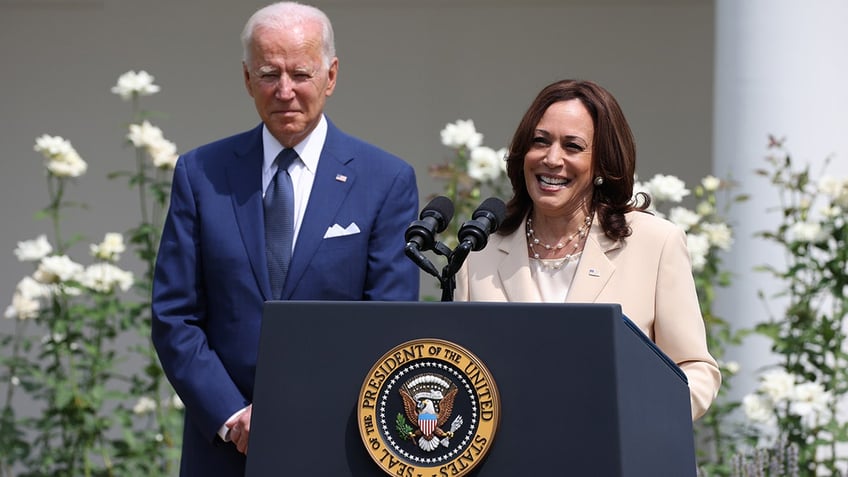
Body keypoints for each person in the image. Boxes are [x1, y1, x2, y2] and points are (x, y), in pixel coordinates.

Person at [150, 2, 420, 475]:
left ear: (331, 76)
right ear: (247, 79)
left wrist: (296, 415)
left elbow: (386, 324)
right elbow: (175, 316)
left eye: (301, 73)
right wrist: (234, 416)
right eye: (269, 73)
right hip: (224, 451)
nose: (285, 91)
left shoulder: (385, 180)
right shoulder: (202, 174)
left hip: (338, 444)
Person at [454, 79, 720, 420]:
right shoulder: (479, 251)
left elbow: (696, 370)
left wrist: (639, 418)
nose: (552, 158)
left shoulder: (655, 243)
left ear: (602, 164)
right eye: (540, 141)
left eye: (573, 146)